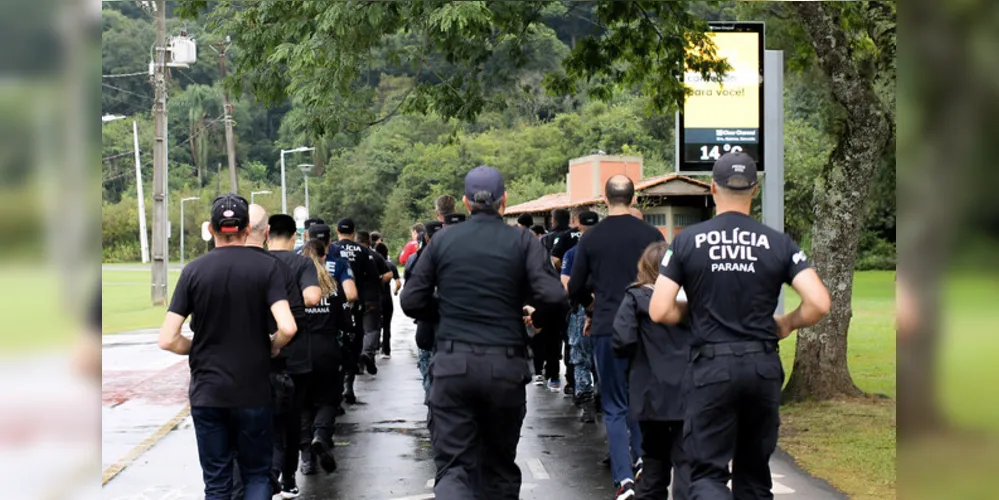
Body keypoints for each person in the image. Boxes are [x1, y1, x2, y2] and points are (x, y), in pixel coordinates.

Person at [650, 152, 831, 499]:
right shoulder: (778, 243)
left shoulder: (687, 241)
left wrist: (697, 309)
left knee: (707, 474)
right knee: (754, 475)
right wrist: (788, 323)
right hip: (761, 366)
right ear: (755, 189)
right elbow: (820, 302)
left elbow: (660, 310)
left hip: (712, 369)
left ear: (712, 188)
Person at [401, 166, 567, 499]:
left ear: (465, 202)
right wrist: (536, 320)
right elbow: (555, 296)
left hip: (453, 365)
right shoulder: (522, 241)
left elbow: (411, 299)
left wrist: (444, 311)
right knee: (499, 467)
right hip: (504, 367)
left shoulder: (444, 240)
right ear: (504, 202)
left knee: (453, 468)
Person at [157, 194, 297, 500]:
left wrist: (196, 347)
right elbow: (287, 327)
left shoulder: (193, 271)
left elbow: (167, 338)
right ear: (248, 229)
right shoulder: (266, 268)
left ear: (211, 229)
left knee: (217, 481)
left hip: (208, 391)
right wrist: (272, 345)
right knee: (257, 475)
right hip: (253, 390)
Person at [568, 175, 665, 499]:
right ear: (634, 197)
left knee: (614, 405)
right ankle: (642, 461)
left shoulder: (592, 239)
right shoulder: (651, 234)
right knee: (641, 398)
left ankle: (623, 480)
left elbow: (576, 286)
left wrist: (590, 306)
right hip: (648, 327)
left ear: (605, 200)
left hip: (608, 326)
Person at [245, 205, 320, 498]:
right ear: (293, 236)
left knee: (260, 422)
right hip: (295, 352)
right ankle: (286, 479)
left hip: (256, 352)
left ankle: (265, 478)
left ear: (266, 234)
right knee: (292, 421)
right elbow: (312, 298)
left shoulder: (257, 262)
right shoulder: (300, 264)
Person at [613, 241, 692, 500]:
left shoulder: (635, 299)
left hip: (650, 390)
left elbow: (622, 340)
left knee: (654, 464)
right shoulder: (691, 300)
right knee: (687, 465)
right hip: (689, 391)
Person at [298, 237, 349, 477]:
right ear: (322, 257)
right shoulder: (334, 287)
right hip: (328, 349)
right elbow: (346, 324)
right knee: (328, 400)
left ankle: (307, 459)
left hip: (301, 350)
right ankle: (321, 435)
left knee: (304, 406)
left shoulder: (296, 288)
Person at [332, 219, 391, 403]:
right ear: (353, 231)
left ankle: (338, 387)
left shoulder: (333, 250)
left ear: (337, 231)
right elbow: (374, 277)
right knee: (355, 341)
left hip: (335, 303)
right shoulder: (364, 251)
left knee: (336, 343)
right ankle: (349, 384)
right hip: (358, 302)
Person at [561, 210, 599, 422]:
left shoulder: (573, 253)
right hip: (606, 307)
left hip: (581, 308)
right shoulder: (608, 249)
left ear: (579, 225)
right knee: (602, 355)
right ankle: (601, 395)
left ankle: (587, 402)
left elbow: (566, 284)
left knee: (580, 358)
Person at [356, 229, 395, 358]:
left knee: (357, 327)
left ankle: (358, 357)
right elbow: (389, 274)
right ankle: (367, 354)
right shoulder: (374, 255)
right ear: (369, 242)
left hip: (354, 297)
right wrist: (379, 281)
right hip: (372, 296)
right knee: (371, 328)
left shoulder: (349, 254)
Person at [373, 242, 401, 359]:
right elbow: (398, 282)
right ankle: (386, 351)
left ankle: (375, 347)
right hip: (387, 297)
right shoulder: (391, 265)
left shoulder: (373, 264)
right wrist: (395, 291)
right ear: (387, 253)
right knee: (387, 324)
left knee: (375, 324)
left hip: (376, 297)